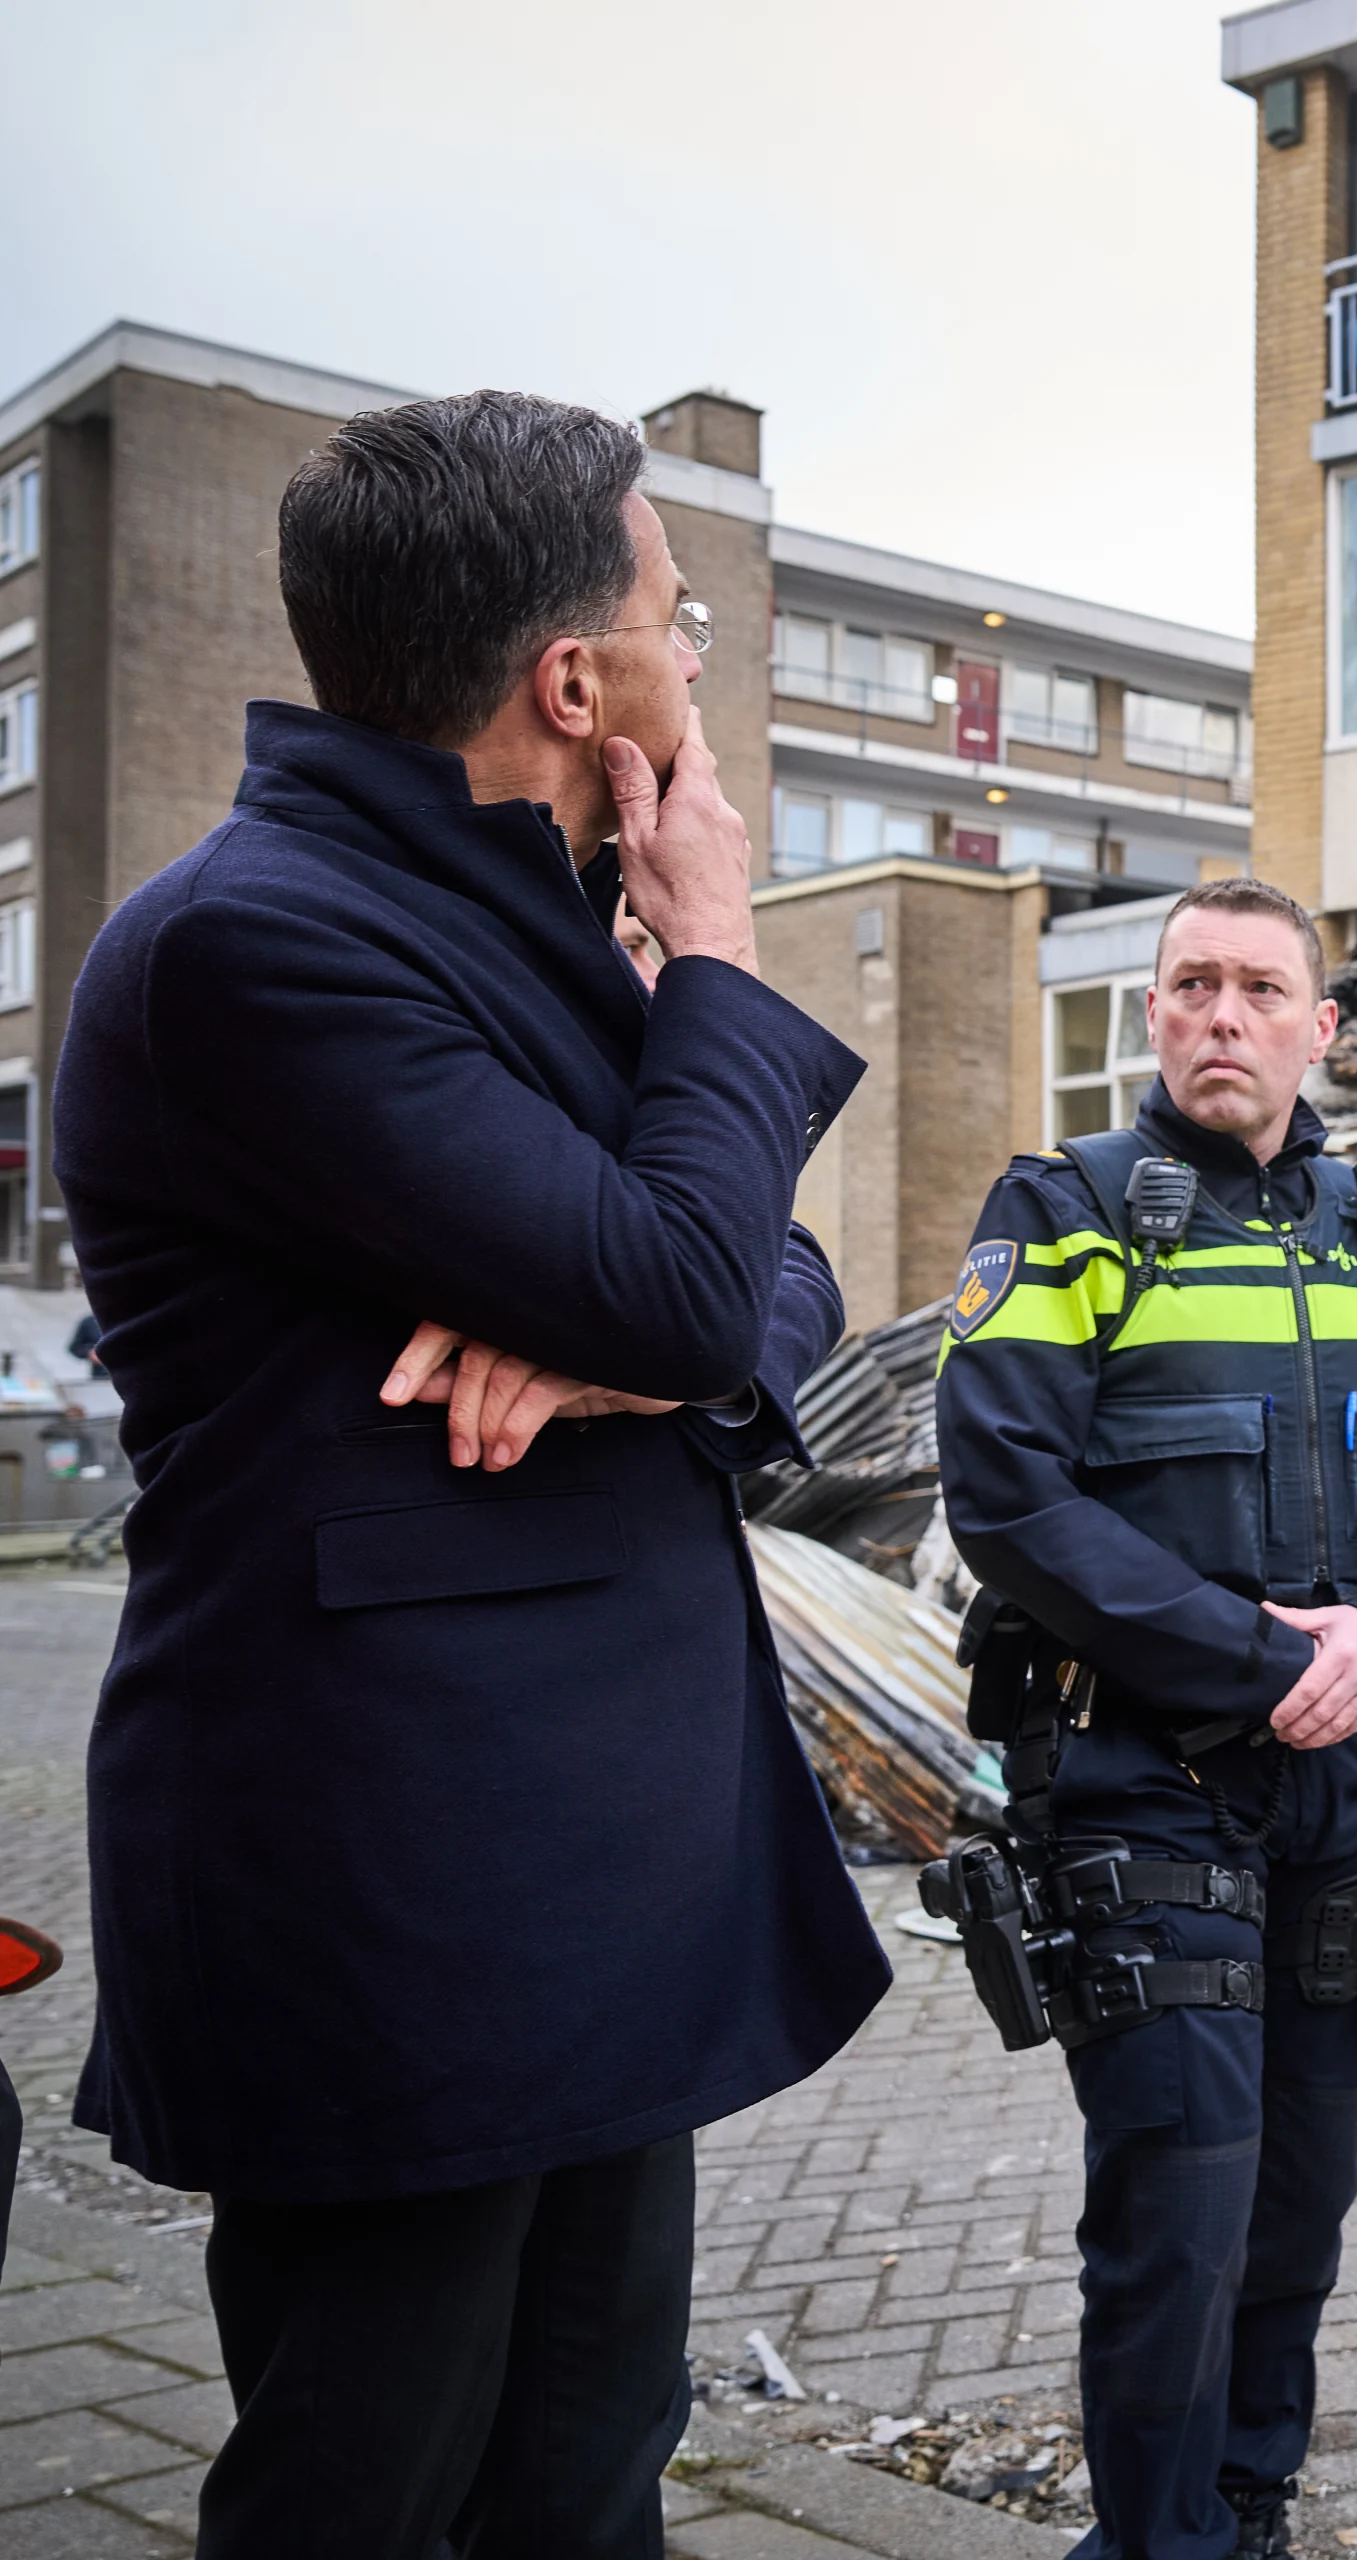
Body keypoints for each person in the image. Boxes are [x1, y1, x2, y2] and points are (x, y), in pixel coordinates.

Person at [50, 391, 887, 2556]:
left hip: (603, 1868)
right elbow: (712, 1289)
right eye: (679, 616)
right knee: (369, 2483)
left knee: (587, 2471)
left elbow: (770, 1281)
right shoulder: (265, 942)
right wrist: (716, 952)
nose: (699, 662)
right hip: (396, 1879)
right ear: (574, 681)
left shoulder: (525, 941)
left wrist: (624, 1351)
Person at [935, 878, 1357, 2560]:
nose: (1222, 1015)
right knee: (1179, 2208)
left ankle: (1246, 2504)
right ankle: (1155, 2540)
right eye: (1191, 984)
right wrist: (1262, 1661)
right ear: (1152, 1016)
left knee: (1294, 2208)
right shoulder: (1068, 1211)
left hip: (1347, 1800)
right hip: (1141, 1789)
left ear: (1318, 1030)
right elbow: (1011, 1500)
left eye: (1262, 988)